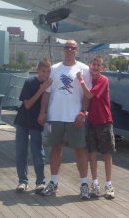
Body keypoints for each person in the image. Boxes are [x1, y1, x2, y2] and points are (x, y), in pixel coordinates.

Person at [38, 40, 92, 199]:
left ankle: (84, 184)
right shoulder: (54, 69)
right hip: (55, 117)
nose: (69, 50)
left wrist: (83, 113)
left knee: (80, 150)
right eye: (67, 47)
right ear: (63, 49)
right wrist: (42, 112)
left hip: (75, 117)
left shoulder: (84, 69)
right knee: (55, 149)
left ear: (76, 50)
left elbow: (87, 94)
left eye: (72, 48)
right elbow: (47, 92)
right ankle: (53, 182)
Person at [77, 55, 115, 199]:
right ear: (89, 65)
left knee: (107, 154)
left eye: (99, 65)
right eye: (94, 64)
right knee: (91, 153)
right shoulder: (88, 80)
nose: (96, 67)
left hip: (104, 121)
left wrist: (80, 80)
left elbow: (90, 95)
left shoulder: (103, 80)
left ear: (102, 68)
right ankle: (95, 183)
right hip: (91, 122)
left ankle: (109, 184)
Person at [14, 58, 52, 194]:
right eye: (43, 71)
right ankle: (22, 181)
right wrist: (41, 90)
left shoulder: (50, 84)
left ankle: (40, 182)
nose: (46, 74)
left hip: (37, 122)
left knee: (38, 152)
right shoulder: (29, 82)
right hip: (23, 120)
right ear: (37, 70)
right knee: (21, 151)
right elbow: (28, 104)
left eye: (48, 71)